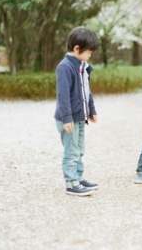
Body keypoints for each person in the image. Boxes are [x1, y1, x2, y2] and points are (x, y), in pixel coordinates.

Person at [54, 26, 100, 196]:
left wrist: (92, 109)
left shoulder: (83, 66)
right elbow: (63, 95)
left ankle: (79, 178)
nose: (90, 55)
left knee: (79, 149)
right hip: (69, 119)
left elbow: (87, 90)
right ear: (76, 49)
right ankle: (71, 183)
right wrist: (66, 118)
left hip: (80, 117)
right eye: (89, 52)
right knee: (71, 151)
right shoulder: (65, 67)